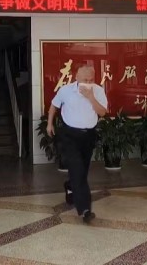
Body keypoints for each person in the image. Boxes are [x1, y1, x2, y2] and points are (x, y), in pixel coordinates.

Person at [47, 64, 108, 224]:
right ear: (76, 78)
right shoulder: (66, 90)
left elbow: (102, 112)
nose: (88, 83)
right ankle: (85, 210)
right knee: (77, 169)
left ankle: (70, 185)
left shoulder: (98, 90)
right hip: (69, 136)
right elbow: (53, 106)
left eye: (91, 80)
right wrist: (49, 124)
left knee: (82, 171)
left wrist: (91, 97)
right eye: (85, 80)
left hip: (88, 135)